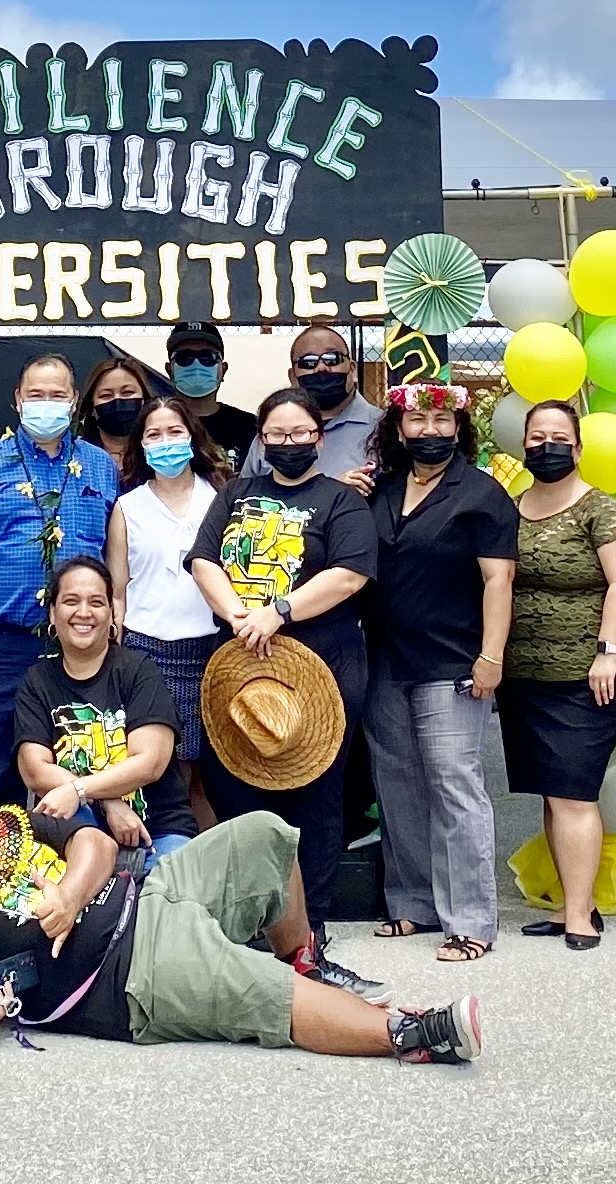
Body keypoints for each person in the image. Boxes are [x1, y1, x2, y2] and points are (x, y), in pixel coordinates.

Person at [0, 761, 482, 1062]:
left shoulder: (8, 823)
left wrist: (72, 894)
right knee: (256, 987)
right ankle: (409, 1034)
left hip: (149, 891)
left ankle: (303, 960)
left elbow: (94, 842)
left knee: (263, 834)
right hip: (125, 974)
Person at [189, 391, 378, 936]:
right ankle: (251, 919)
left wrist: (279, 612)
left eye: (300, 434)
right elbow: (203, 559)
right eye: (277, 434)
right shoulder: (235, 494)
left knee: (316, 796)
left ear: (318, 438)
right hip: (239, 665)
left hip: (321, 665)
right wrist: (238, 615)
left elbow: (350, 573)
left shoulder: (341, 502)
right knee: (236, 787)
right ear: (262, 440)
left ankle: (307, 925)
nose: (289, 443)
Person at [357, 383, 516, 962]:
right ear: (399, 430)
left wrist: (491, 656)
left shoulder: (482, 494)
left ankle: (471, 918)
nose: (429, 430)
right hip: (384, 659)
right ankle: (413, 903)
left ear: (459, 428)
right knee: (397, 783)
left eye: (440, 420)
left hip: (453, 660)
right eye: (417, 420)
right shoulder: (382, 491)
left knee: (454, 782)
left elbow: (499, 581)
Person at [0, 353, 118, 805]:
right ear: (17, 401)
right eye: (36, 395)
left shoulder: (100, 466)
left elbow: (115, 554)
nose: (47, 404)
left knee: (79, 759)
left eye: (57, 395)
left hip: (81, 640)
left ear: (75, 401)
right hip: (3, 645)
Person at [497, 399, 616, 948]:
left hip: (589, 678)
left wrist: (607, 651)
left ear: (578, 448)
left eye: (559, 437)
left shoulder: (601, 511)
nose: (547, 446)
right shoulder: (510, 507)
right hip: (525, 677)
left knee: (575, 794)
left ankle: (581, 914)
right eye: (537, 437)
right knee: (552, 795)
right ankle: (566, 904)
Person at [14, 558, 196, 864]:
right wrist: (107, 800)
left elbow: (149, 763)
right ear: (52, 612)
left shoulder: (138, 671)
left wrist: (78, 789)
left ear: (112, 613)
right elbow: (34, 770)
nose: (83, 612)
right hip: (79, 835)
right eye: (71, 601)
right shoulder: (37, 682)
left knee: (167, 903)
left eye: (96, 602)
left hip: (158, 832)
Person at [108, 395, 231, 826]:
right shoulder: (128, 507)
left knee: (210, 775)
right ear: (140, 445)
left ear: (192, 437)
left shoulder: (221, 497)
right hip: (148, 652)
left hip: (213, 649)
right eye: (153, 435)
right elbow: (118, 590)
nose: (165, 443)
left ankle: (209, 873)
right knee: (165, 772)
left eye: (174, 432)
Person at [286, 322, 381, 477]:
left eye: (332, 358)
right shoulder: (274, 433)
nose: (321, 368)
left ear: (353, 370)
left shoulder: (383, 428)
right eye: (308, 361)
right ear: (293, 377)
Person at [164, 319, 260, 456]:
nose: (196, 364)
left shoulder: (250, 427)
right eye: (184, 358)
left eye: (207, 357)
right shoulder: (155, 425)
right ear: (169, 370)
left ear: (223, 369)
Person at [84, 353, 163, 485]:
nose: (117, 400)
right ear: (91, 406)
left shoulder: (160, 453)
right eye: (106, 395)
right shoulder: (78, 455)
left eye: (127, 393)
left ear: (145, 400)